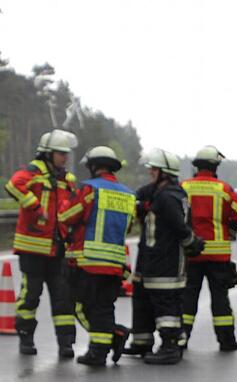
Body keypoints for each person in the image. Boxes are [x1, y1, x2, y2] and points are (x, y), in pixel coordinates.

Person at [122, 148, 203, 365]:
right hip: (149, 259)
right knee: (142, 299)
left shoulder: (168, 198)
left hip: (165, 261)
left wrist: (192, 243)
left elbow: (180, 228)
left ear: (165, 173)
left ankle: (170, 346)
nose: (150, 172)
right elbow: (143, 194)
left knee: (165, 303)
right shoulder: (162, 193)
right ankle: (142, 342)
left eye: (154, 169)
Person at [3, 129, 80, 357]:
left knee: (63, 298)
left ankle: (66, 344)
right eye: (61, 153)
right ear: (48, 153)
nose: (65, 158)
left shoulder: (67, 179)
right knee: (31, 295)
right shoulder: (33, 172)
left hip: (58, 249)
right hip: (33, 248)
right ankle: (26, 339)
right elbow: (13, 185)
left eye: (66, 154)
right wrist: (36, 207)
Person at [57, 146, 136, 366]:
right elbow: (129, 226)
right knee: (103, 307)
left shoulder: (90, 189)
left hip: (88, 261)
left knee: (78, 305)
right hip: (115, 262)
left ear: (94, 166)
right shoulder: (129, 195)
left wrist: (64, 201)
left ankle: (111, 339)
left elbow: (66, 215)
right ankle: (100, 351)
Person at [180, 145, 237, 351]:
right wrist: (229, 230)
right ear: (215, 167)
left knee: (188, 297)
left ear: (197, 167)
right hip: (218, 255)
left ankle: (181, 338)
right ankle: (226, 341)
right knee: (220, 298)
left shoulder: (184, 187)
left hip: (191, 253)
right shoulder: (224, 190)